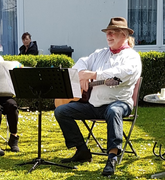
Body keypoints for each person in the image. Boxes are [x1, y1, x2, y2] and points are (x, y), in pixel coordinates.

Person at [54, 17, 142, 176]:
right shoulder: (100, 54)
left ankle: (112, 157)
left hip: (119, 103)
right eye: (108, 33)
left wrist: (94, 74)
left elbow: (118, 77)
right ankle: (82, 150)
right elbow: (81, 62)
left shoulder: (132, 57)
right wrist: (82, 74)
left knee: (113, 111)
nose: (109, 36)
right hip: (94, 105)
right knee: (61, 111)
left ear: (124, 35)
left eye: (113, 33)